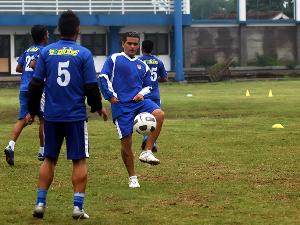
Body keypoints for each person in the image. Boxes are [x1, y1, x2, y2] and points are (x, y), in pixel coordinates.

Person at [26, 10, 108, 219]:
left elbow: (35, 84)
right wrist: (98, 106)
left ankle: (40, 203)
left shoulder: (46, 53)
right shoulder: (84, 54)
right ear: (77, 30)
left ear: (59, 30)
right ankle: (77, 207)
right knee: (79, 160)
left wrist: (32, 111)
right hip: (75, 117)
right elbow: (91, 85)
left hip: (52, 116)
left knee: (49, 159)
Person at [98, 32, 165, 189]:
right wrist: (110, 96)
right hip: (121, 105)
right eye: (130, 43)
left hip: (139, 102)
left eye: (136, 44)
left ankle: (147, 151)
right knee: (126, 143)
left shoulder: (143, 65)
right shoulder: (114, 59)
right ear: (123, 44)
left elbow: (149, 85)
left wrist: (141, 94)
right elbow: (103, 77)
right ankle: (133, 177)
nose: (133, 47)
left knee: (159, 114)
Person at [4, 25, 49, 166]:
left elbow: (18, 68)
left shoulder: (28, 50)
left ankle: (10, 145)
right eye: (47, 34)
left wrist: (28, 72)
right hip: (36, 88)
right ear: (43, 37)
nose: (48, 36)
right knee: (44, 119)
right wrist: (45, 73)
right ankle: (42, 150)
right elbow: (35, 64)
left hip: (24, 87)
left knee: (23, 119)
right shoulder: (43, 50)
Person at [138, 40, 168, 152]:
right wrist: (155, 81)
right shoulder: (158, 62)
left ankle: (146, 138)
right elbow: (165, 78)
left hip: (143, 95)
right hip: (155, 95)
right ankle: (153, 143)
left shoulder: (139, 61)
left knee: (145, 118)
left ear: (142, 48)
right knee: (156, 119)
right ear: (152, 49)